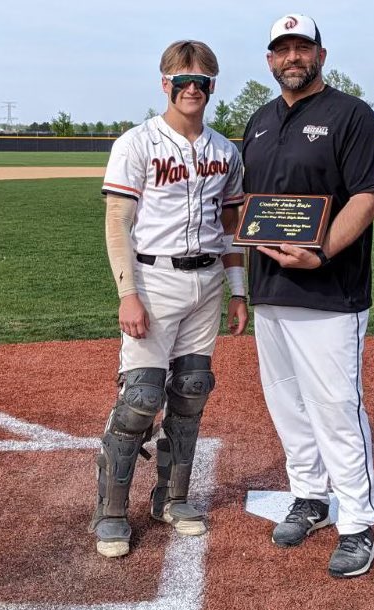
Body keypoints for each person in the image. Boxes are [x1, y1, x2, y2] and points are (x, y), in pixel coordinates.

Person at [242, 14, 374, 578]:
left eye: (302, 47)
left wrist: (323, 251)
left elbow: (368, 194)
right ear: (270, 60)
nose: (292, 57)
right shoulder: (259, 121)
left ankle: (356, 523)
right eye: (282, 49)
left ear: (321, 55)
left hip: (330, 290)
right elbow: (249, 202)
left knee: (335, 409)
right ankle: (309, 497)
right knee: (287, 404)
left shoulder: (351, 115)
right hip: (271, 290)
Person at [89, 40, 248, 558]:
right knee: (140, 398)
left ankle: (171, 498)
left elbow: (229, 227)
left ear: (212, 87)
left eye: (201, 81)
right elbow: (118, 222)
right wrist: (127, 294)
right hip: (153, 282)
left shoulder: (226, 151)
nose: (192, 89)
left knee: (192, 390)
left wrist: (238, 291)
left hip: (207, 284)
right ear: (165, 84)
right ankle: (111, 511)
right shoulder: (137, 144)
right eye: (182, 80)